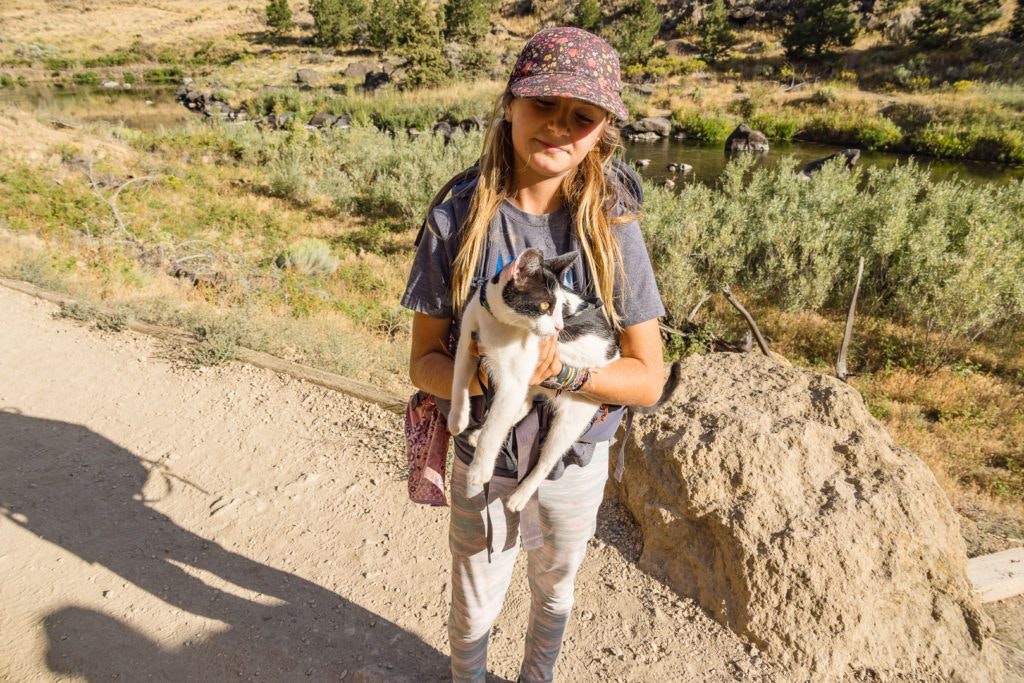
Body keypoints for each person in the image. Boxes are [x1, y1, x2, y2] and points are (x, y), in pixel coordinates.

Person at [400, 26, 667, 683]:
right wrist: (487, 381)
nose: (558, 127)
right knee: (475, 597)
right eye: (544, 104)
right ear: (511, 104)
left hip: (576, 458)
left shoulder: (611, 222)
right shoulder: (457, 217)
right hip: (479, 459)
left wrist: (563, 373)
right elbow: (423, 361)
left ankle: (537, 675)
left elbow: (648, 378)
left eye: (582, 117)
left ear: (601, 130)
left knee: (556, 586)